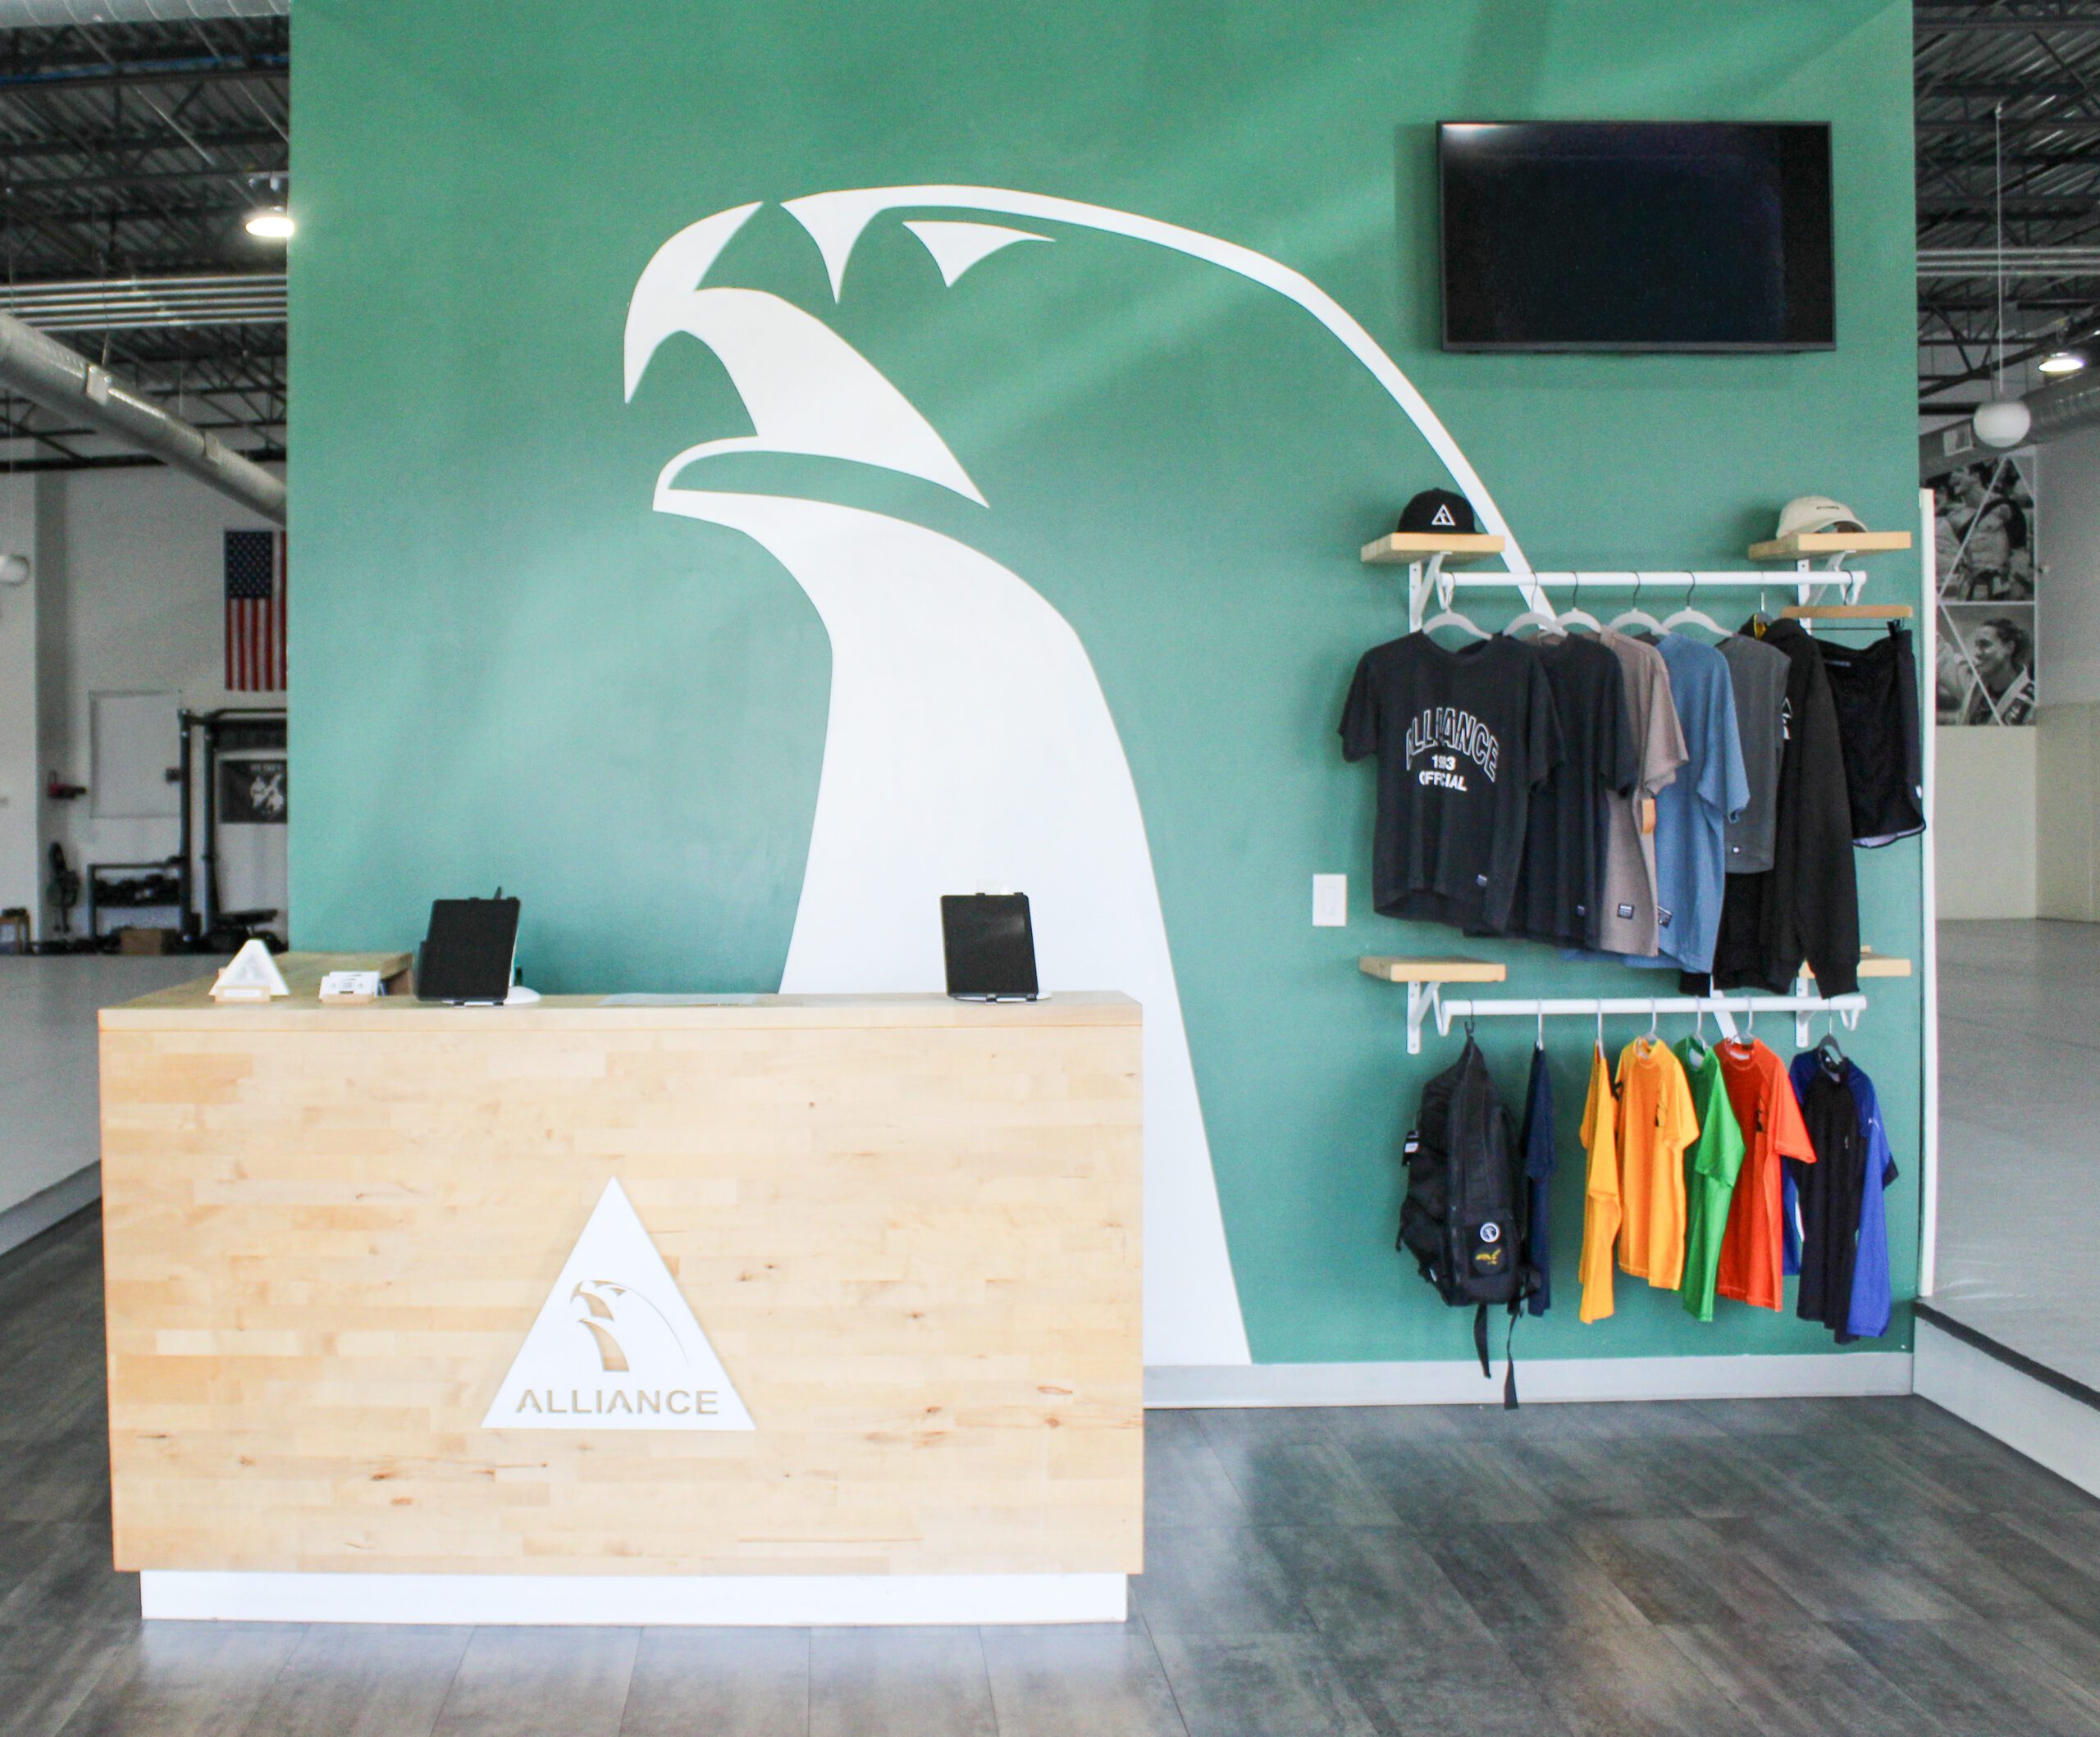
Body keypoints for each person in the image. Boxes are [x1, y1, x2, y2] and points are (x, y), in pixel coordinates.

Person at [1961, 616, 2035, 724]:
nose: (1977, 653)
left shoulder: (2032, 700)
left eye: (1985, 645)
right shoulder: (1975, 688)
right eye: (1976, 645)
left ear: (2009, 648)